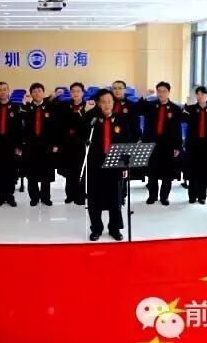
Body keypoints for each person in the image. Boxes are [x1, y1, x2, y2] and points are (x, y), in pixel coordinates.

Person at [85, 90, 132, 241]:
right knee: (94, 199)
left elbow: (126, 145)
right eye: (103, 102)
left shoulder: (121, 120)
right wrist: (88, 111)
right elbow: (81, 135)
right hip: (95, 165)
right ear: (99, 103)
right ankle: (96, 228)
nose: (107, 105)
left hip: (115, 165)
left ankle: (115, 228)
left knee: (115, 199)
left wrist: (124, 166)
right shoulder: (91, 119)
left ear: (113, 103)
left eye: (109, 101)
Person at [134, 81, 183, 206]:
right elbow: (137, 110)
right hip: (152, 143)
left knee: (167, 174)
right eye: (159, 91)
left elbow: (178, 129)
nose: (161, 94)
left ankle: (164, 197)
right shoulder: (150, 106)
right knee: (152, 172)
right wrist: (144, 96)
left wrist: (177, 146)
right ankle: (152, 196)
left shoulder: (175, 109)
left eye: (164, 91)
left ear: (168, 92)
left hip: (168, 145)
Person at [20, 83, 59, 206]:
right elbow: (21, 128)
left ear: (43, 93)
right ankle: (34, 198)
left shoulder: (50, 108)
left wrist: (55, 144)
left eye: (39, 91)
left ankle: (46, 197)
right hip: (30, 146)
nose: (37, 93)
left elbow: (55, 128)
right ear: (31, 94)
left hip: (46, 146)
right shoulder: (26, 108)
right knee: (31, 174)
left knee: (46, 173)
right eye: (34, 91)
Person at [54, 82, 88, 206]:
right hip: (67, 143)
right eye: (73, 91)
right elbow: (50, 105)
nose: (75, 93)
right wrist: (54, 95)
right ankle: (70, 195)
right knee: (69, 171)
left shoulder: (88, 107)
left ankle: (81, 195)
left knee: (81, 170)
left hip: (82, 143)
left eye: (78, 91)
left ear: (83, 93)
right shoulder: (65, 105)